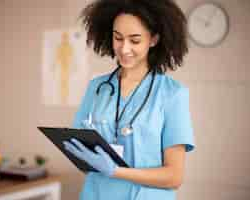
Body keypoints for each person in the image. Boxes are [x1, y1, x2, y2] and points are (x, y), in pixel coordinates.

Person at [63, 0, 195, 199]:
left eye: (135, 40)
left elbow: (174, 177)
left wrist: (115, 171)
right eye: (118, 38)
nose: (124, 49)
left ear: (154, 39)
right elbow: (82, 156)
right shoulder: (97, 88)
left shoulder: (172, 94)